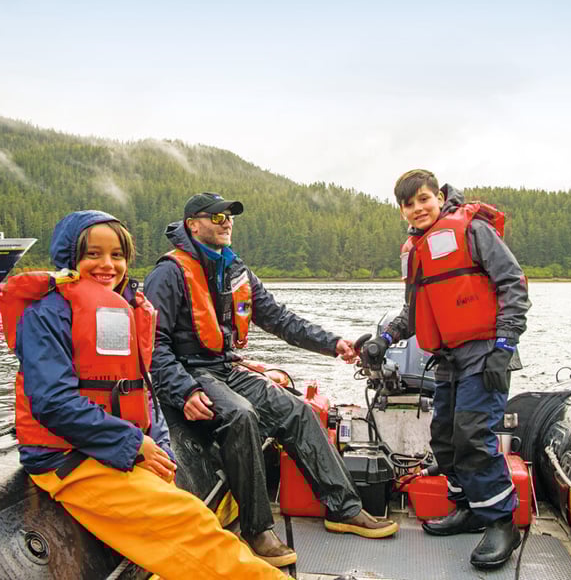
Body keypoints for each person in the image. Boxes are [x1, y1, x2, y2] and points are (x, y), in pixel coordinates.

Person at [0, 210, 295, 580]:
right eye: (93, 254)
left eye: (117, 255)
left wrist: (157, 445)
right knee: (186, 523)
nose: (107, 265)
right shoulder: (47, 314)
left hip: (114, 446)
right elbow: (53, 403)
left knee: (191, 513)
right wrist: (135, 444)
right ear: (69, 257)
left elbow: (143, 392)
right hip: (68, 457)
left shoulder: (121, 310)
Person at [143, 192, 399, 567]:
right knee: (241, 415)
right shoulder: (167, 274)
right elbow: (154, 346)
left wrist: (334, 344)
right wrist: (184, 390)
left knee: (297, 410)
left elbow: (280, 319)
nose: (227, 223)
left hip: (224, 368)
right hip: (189, 372)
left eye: (230, 217)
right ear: (193, 225)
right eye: (217, 217)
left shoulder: (235, 271)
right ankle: (257, 529)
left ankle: (344, 510)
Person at [359, 169, 530, 569]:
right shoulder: (416, 249)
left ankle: (501, 522)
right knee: (445, 438)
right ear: (401, 211)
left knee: (473, 436)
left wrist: (506, 344)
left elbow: (513, 284)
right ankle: (468, 508)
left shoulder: (473, 230)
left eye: (423, 199)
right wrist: (384, 338)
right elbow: (414, 311)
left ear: (439, 197)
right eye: (408, 204)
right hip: (448, 359)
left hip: (486, 352)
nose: (417, 208)